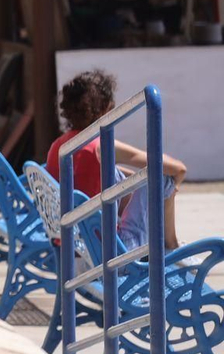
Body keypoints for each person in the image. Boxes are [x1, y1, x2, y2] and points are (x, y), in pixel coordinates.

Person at [47, 69, 186, 250]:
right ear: (106, 109)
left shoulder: (58, 147)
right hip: (108, 249)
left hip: (70, 245)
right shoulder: (102, 145)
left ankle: (169, 245)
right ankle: (171, 246)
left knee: (117, 174)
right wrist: (175, 183)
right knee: (164, 179)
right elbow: (177, 168)